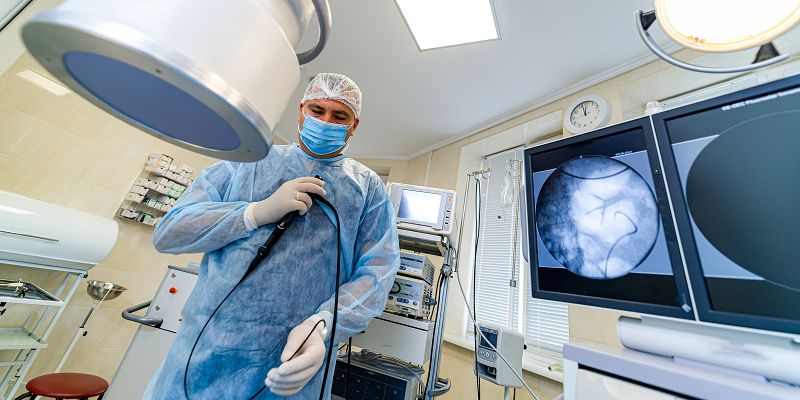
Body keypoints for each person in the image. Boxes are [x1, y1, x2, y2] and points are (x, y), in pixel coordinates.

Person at [144, 73, 400, 399]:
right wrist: (254, 213)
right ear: (300, 111)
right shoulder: (248, 161)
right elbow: (169, 233)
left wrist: (324, 323)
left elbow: (378, 271)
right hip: (209, 346)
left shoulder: (367, 189)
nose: (325, 121)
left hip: (296, 359)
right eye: (317, 110)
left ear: (354, 125)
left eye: (339, 116)